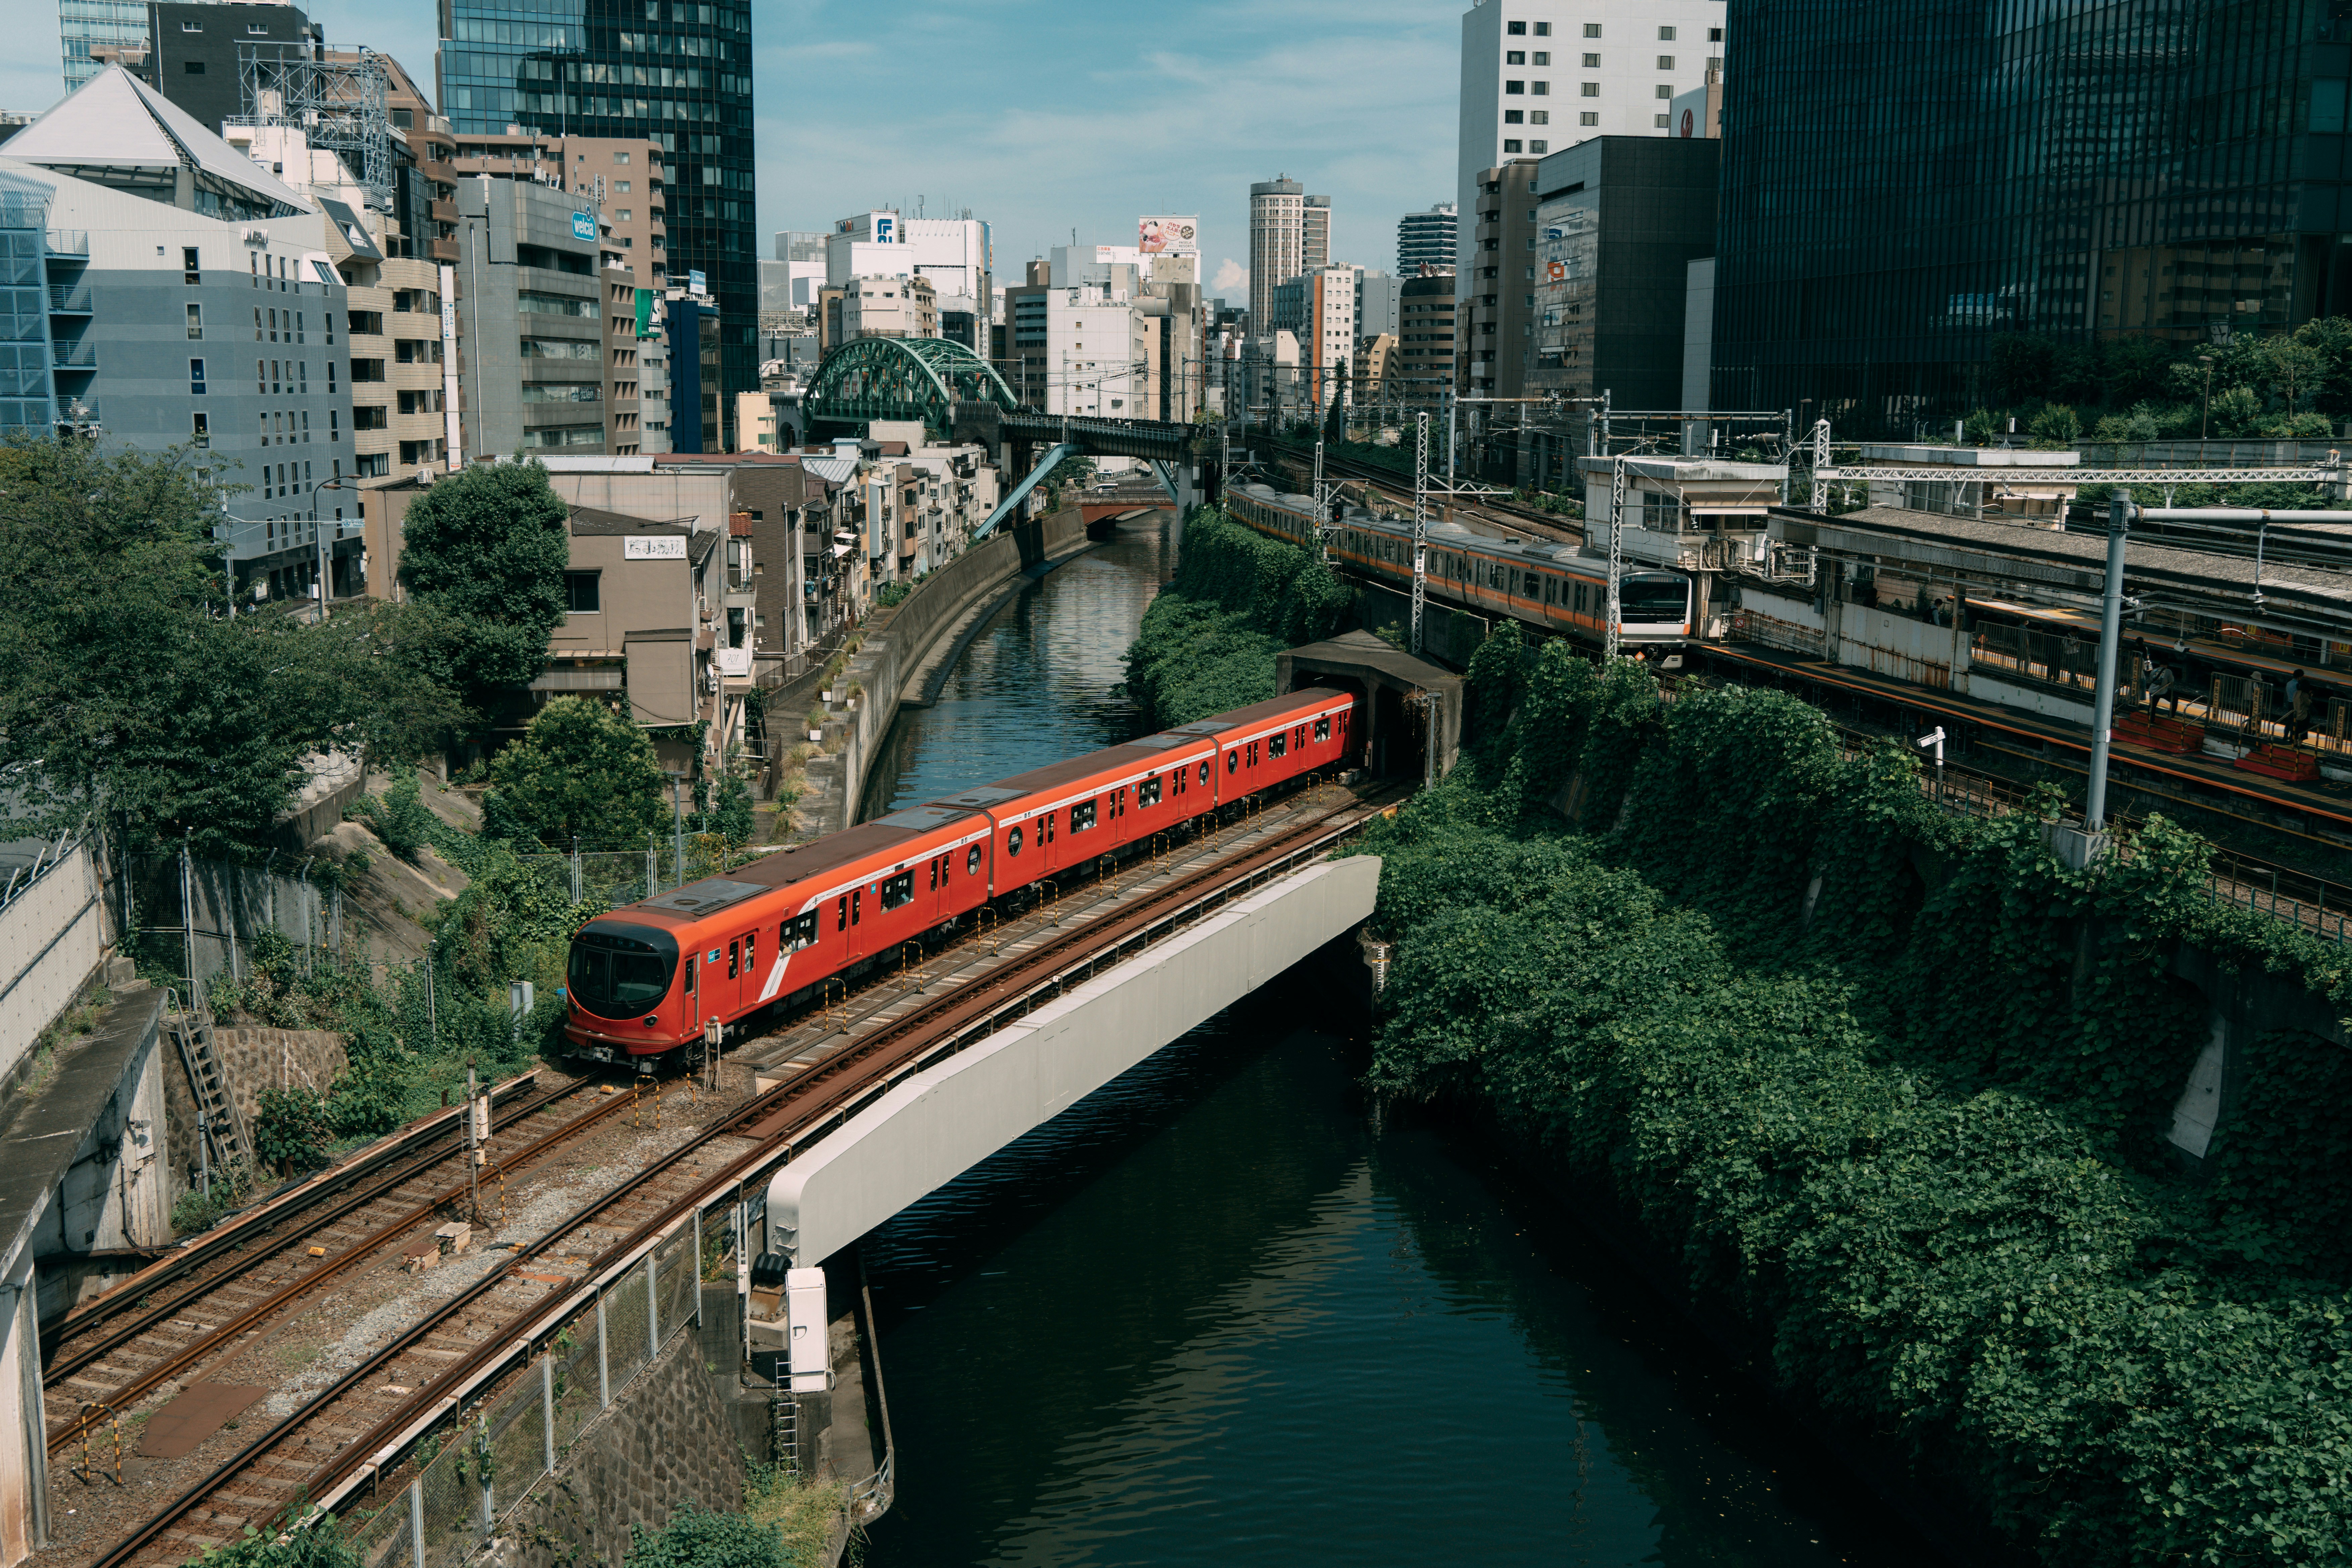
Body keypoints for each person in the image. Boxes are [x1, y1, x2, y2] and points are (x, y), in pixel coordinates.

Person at [2288, 669, 2313, 743]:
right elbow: (2308, 703)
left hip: (2297, 714)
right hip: (2304, 714)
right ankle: (2300, 745)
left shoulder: (2297, 693)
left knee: (2297, 729)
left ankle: (2295, 743)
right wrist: (2310, 697)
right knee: (2303, 730)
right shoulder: (2304, 695)